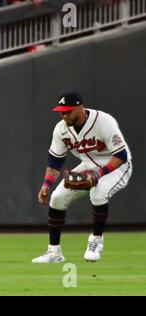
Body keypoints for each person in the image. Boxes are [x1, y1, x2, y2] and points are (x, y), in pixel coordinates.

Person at [32, 91, 132, 263]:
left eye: (68, 111)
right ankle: (54, 252)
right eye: (61, 112)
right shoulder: (61, 130)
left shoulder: (103, 121)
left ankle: (96, 241)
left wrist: (98, 173)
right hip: (88, 165)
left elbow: (121, 155)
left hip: (116, 166)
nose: (64, 115)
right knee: (57, 198)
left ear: (80, 108)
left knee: (98, 192)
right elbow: (55, 162)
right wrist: (46, 184)